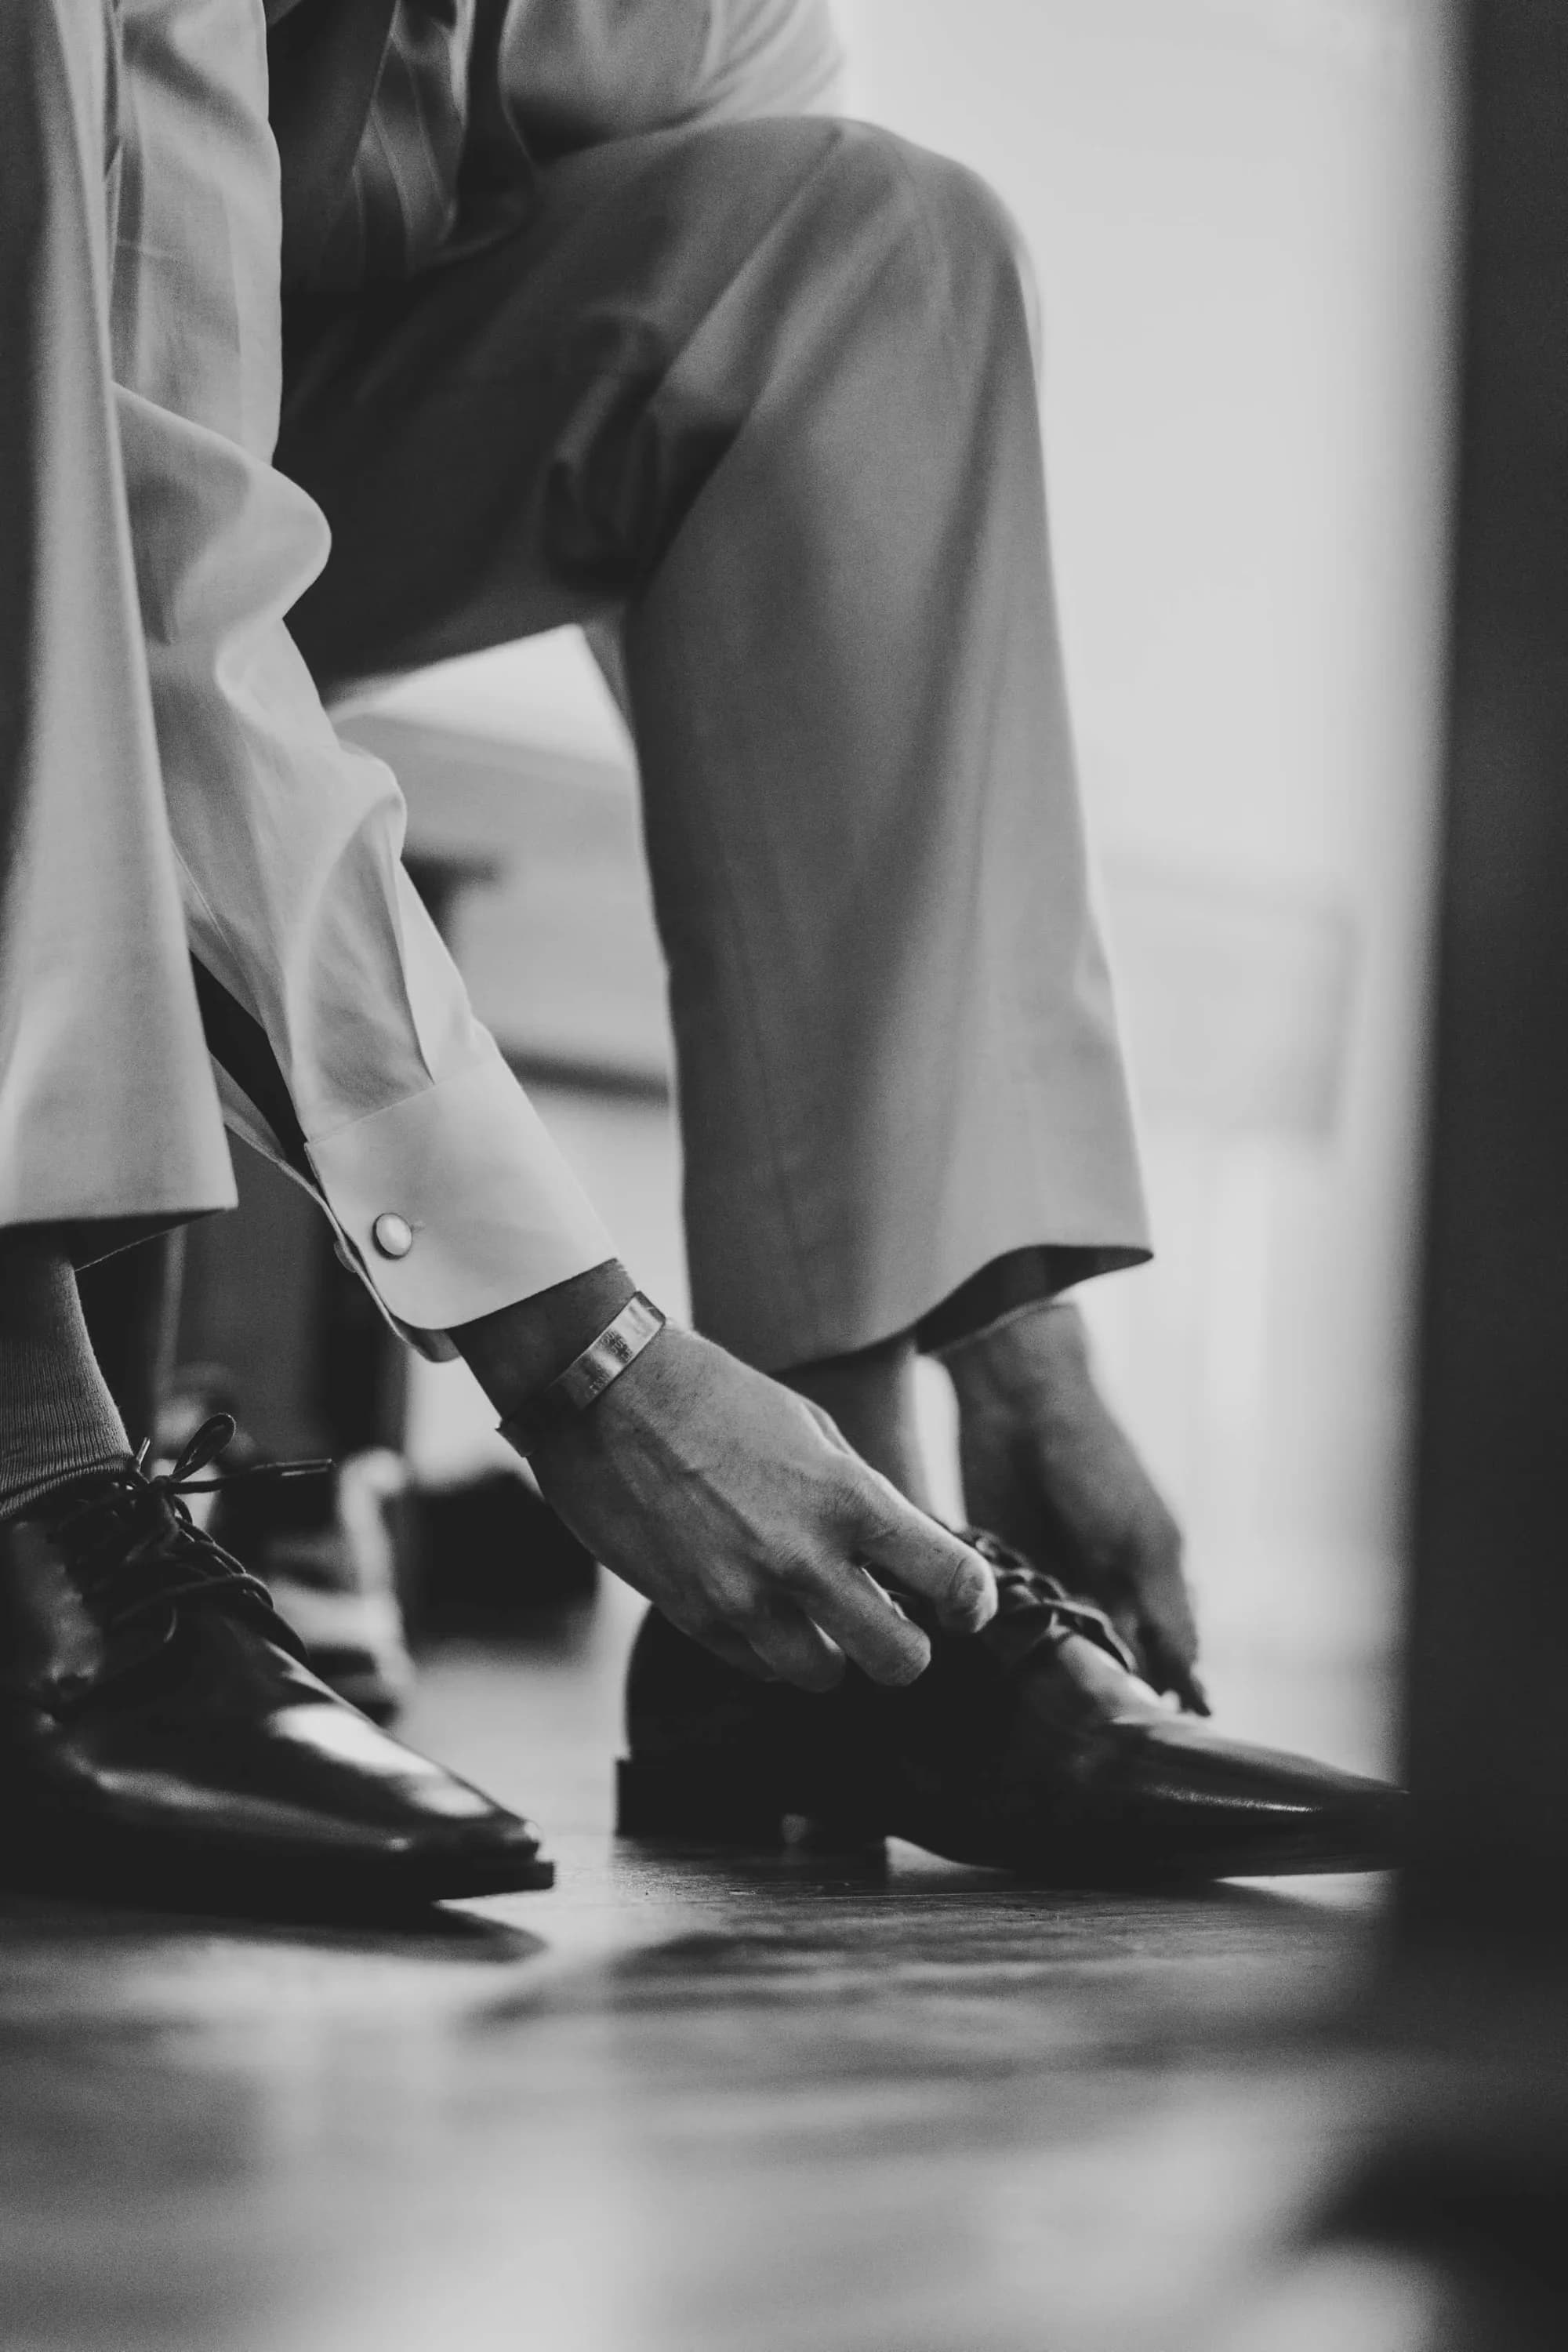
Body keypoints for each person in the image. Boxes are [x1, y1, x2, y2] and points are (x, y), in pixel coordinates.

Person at [0, 0, 1399, 1913]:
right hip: (53, 392)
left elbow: (814, 540)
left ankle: (834, 1626)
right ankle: (22, 1474)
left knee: (869, 254)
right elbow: (148, 577)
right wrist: (585, 1366)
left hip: (285, 428)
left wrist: (1011, 1353)